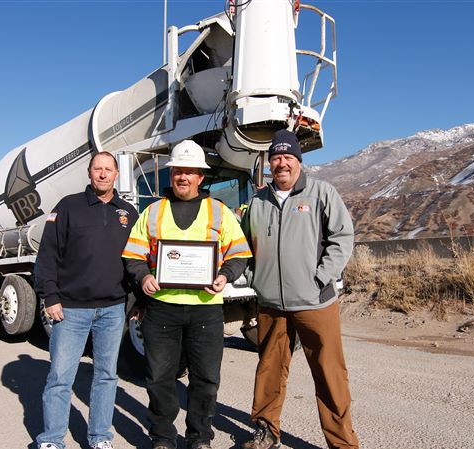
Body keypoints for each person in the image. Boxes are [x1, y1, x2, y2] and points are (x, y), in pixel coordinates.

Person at [122, 140, 252, 449]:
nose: (183, 177)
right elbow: (133, 255)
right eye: (179, 171)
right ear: (172, 174)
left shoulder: (219, 212)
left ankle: (199, 438)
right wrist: (143, 277)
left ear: (200, 177)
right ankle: (163, 438)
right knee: (159, 378)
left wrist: (225, 275)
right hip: (161, 308)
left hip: (205, 309)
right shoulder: (153, 212)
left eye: (190, 172)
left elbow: (239, 253)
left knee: (206, 379)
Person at [239, 129, 359, 449]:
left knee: (329, 374)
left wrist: (321, 277)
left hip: (314, 302)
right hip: (271, 305)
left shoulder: (321, 193)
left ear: (298, 161)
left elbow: (342, 238)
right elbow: (243, 248)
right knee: (269, 370)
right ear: (269, 164)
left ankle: (342, 442)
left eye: (288, 157)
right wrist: (254, 278)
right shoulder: (257, 202)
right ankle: (267, 431)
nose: (282, 163)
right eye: (276, 158)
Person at [34, 151, 139, 449]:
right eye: (97, 169)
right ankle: (52, 439)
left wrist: (137, 303)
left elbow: (137, 261)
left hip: (113, 309)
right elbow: (48, 256)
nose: (103, 174)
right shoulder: (68, 207)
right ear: (89, 172)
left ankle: (100, 436)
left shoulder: (128, 213)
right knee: (60, 376)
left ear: (117, 174)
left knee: (106, 376)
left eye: (108, 169)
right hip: (71, 309)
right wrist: (50, 297)